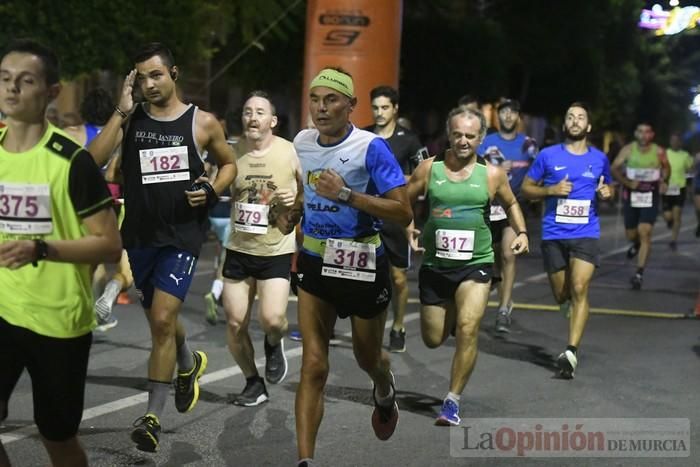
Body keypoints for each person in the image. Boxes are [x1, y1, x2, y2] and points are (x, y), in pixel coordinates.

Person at [88, 42, 236, 452]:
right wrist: (120, 108)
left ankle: (151, 416)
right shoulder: (131, 118)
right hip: (138, 235)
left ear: (174, 74)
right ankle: (188, 365)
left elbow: (229, 165)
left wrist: (210, 187)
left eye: (156, 75)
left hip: (182, 236)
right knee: (160, 319)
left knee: (164, 316)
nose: (149, 84)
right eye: (141, 77)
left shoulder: (201, 123)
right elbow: (91, 162)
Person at [0, 39, 122, 467]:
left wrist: (40, 248)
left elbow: (109, 244)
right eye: (4, 78)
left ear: (51, 92)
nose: (11, 89)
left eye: (26, 80)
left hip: (58, 322)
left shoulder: (72, 163)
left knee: (57, 438)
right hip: (3, 310)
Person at [284, 68, 412, 467]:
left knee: (366, 357)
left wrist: (347, 195)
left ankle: (383, 385)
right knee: (313, 364)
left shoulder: (370, 147)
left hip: (361, 261)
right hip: (316, 261)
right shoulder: (301, 143)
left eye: (331, 100)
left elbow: (403, 211)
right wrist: (287, 212)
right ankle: (306, 460)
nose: (321, 108)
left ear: (350, 106)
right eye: (315, 99)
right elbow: (302, 198)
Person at [406, 106, 529, 426]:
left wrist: (522, 232)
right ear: (449, 134)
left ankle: (452, 400)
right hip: (435, 265)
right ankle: (450, 318)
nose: (463, 141)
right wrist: (408, 225)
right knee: (433, 338)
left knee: (468, 328)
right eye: (457, 134)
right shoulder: (428, 169)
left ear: (481, 138)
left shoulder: (491, 174)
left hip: (476, 263)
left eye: (470, 136)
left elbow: (512, 202)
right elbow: (403, 199)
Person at [521, 102, 612, 379]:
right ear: (564, 125)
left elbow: (606, 187)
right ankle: (571, 313)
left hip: (586, 232)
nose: (575, 121)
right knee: (562, 294)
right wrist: (550, 189)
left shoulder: (599, 158)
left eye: (580, 117)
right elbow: (526, 188)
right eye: (570, 117)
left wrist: (607, 193)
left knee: (579, 286)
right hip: (554, 234)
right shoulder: (548, 156)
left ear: (588, 126)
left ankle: (571, 351)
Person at [223, 91, 301, 406]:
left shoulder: (290, 152)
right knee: (234, 323)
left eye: (259, 112)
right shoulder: (231, 152)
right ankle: (253, 383)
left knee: (272, 319)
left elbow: (311, 193)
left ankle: (273, 342)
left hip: (275, 251)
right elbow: (217, 185)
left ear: (272, 121)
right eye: (247, 112)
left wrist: (294, 199)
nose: (252, 117)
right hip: (239, 249)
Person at [365, 85, 424, 352]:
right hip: (367, 214)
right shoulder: (362, 136)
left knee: (398, 279)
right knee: (362, 277)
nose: (379, 112)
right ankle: (364, 327)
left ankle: (398, 326)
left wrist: (398, 183)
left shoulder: (409, 140)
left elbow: (423, 175)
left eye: (385, 107)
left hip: (396, 217)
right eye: (375, 107)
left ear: (395, 109)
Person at [477, 99, 537, 333]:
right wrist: (497, 170)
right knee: (491, 257)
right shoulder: (487, 142)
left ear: (518, 116)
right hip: (489, 203)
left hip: (514, 203)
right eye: (504, 112)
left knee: (508, 254)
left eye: (513, 112)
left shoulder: (529, 144)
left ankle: (503, 308)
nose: (508, 116)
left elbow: (540, 169)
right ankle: (497, 288)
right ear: (498, 116)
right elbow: (475, 166)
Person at [611, 122, 669, 290]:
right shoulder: (628, 150)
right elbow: (614, 168)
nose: (644, 135)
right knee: (631, 234)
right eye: (640, 132)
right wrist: (627, 182)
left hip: (650, 195)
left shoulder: (659, 151)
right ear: (636, 134)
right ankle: (635, 244)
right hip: (631, 196)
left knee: (645, 231)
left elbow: (666, 168)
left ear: (652, 135)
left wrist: (664, 180)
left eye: (647, 132)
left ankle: (639, 273)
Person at [661, 133, 693, 251]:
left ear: (680, 142)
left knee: (677, 215)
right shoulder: (664, 154)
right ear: (670, 142)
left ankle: (673, 240)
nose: (674, 142)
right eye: (672, 140)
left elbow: (691, 168)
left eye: (676, 140)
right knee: (668, 216)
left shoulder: (685, 155)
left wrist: (692, 168)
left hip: (680, 187)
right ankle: (669, 221)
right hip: (667, 187)